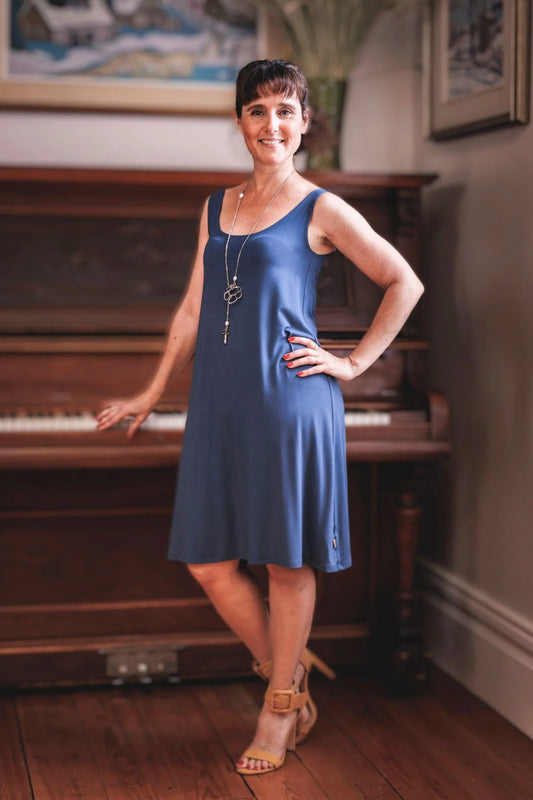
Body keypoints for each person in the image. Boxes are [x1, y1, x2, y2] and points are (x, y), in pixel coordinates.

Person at [96, 59, 424, 775]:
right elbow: (191, 309)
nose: (270, 124)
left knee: (283, 561)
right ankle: (291, 674)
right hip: (218, 401)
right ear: (239, 121)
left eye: (285, 111)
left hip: (288, 402)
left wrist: (352, 363)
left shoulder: (322, 208)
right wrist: (152, 392)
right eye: (256, 110)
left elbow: (405, 281)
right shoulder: (216, 206)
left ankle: (279, 709)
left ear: (304, 123)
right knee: (211, 563)